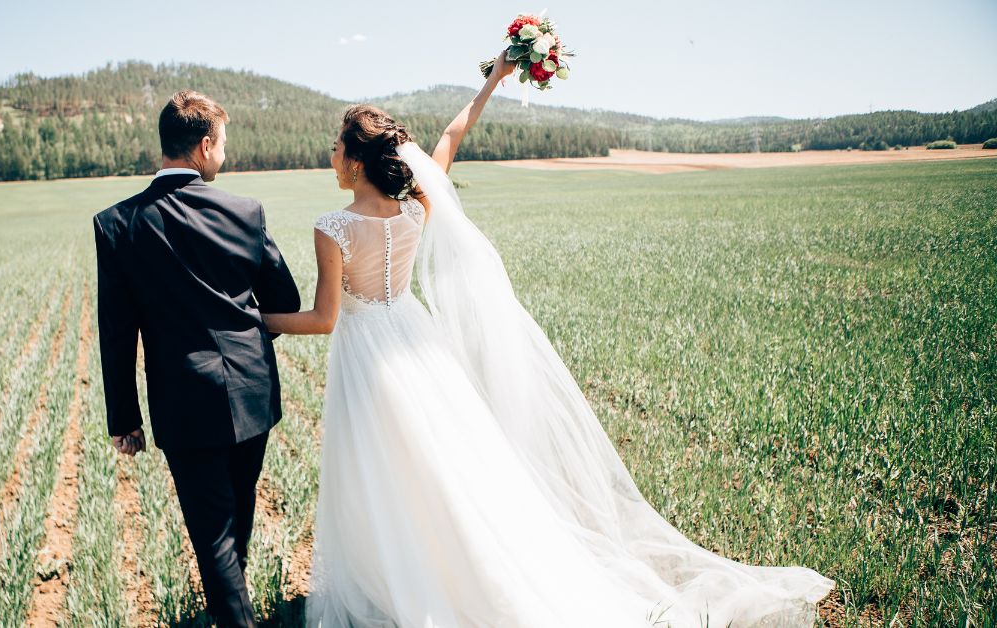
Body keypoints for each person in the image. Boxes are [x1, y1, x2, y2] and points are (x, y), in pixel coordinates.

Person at [262, 52, 835, 627]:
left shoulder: (332, 227)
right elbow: (450, 137)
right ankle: (454, 571)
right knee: (447, 467)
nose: (331, 154)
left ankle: (397, 583)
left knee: (381, 473)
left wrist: (259, 319)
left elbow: (324, 319)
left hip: (368, 358)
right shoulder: (417, 208)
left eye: (338, 146)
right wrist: (493, 82)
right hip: (416, 344)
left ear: (358, 161)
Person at [92, 90, 301, 628]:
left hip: (183, 402)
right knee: (236, 519)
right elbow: (285, 302)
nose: (223, 155)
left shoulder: (116, 225)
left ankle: (235, 616)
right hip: (253, 393)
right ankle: (236, 609)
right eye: (223, 144)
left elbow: (117, 332)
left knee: (213, 534)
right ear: (205, 146)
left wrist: (124, 420)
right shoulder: (244, 212)